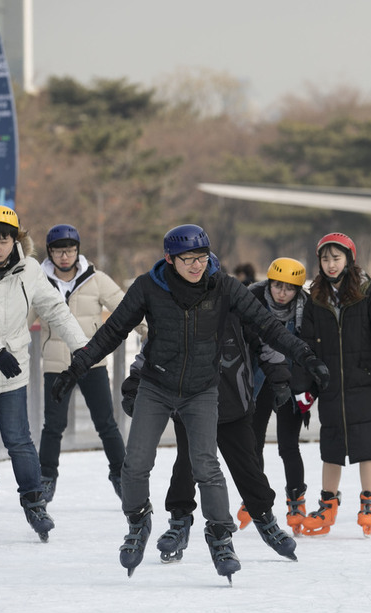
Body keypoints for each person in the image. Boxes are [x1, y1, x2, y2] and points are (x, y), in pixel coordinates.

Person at [50, 224, 328, 582]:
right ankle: (138, 521)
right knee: (134, 465)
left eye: (201, 257)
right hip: (157, 385)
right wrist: (76, 367)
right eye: (188, 260)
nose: (197, 266)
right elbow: (113, 331)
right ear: (170, 259)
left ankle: (220, 535)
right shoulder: (149, 287)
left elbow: (268, 327)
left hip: (202, 390)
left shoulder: (223, 286)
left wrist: (307, 358)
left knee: (206, 467)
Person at [121, 280, 299, 565]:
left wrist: (279, 378)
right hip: (189, 403)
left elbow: (267, 341)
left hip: (233, 406)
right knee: (187, 466)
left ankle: (266, 520)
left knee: (248, 468)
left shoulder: (237, 310)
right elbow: (152, 351)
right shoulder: (176, 313)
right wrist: (134, 383)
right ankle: (180, 520)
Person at [0, 206, 89, 542]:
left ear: (15, 240)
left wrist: (82, 347)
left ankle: (35, 504)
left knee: (19, 442)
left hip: (11, 375)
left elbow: (55, 310)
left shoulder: (30, 270)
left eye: (3, 239)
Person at [296, 232, 371, 538]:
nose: (331, 264)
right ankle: (327, 506)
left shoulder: (369, 294)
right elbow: (306, 346)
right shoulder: (316, 298)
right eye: (325, 259)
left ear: (349, 260)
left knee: (366, 446)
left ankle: (369, 502)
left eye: (336, 258)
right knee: (331, 447)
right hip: (333, 386)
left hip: (368, 383)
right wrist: (304, 384)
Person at [36, 224, 138, 504]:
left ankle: (121, 476)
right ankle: (46, 478)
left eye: (69, 250)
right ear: (50, 253)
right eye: (58, 251)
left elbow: (126, 306)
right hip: (57, 364)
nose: (64, 257)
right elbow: (20, 318)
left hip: (92, 363)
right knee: (53, 425)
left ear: (77, 251)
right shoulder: (38, 281)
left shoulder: (96, 279)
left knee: (106, 423)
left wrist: (149, 332)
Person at [247, 257, 311, 535]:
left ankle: (296, 500)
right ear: (269, 283)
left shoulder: (307, 310)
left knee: (288, 445)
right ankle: (254, 497)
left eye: (289, 288)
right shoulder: (252, 301)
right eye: (277, 286)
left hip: (290, 382)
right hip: (258, 382)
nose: (282, 293)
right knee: (252, 443)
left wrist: (307, 385)